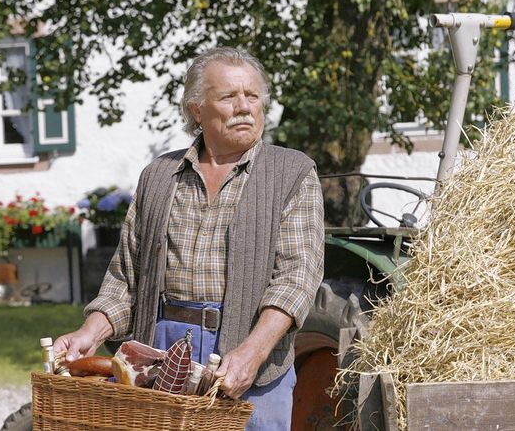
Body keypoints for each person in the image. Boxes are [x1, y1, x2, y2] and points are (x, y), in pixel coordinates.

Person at [53, 46, 324, 430]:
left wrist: (252, 351)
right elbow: (125, 278)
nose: (245, 107)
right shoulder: (159, 175)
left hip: (247, 354)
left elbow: (297, 278)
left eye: (253, 95)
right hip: (159, 350)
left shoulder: (292, 172)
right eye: (229, 96)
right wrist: (90, 332)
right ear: (196, 110)